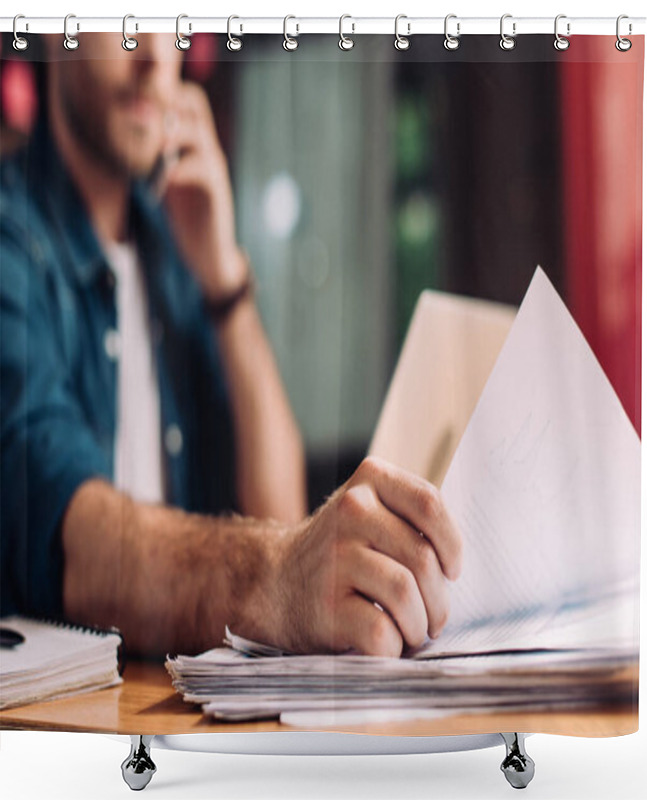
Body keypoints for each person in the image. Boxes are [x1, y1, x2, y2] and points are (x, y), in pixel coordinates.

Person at [0, 34, 462, 658]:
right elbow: (64, 537)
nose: (155, 60)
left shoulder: (171, 247)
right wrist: (275, 578)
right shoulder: (12, 240)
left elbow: (277, 509)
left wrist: (226, 283)